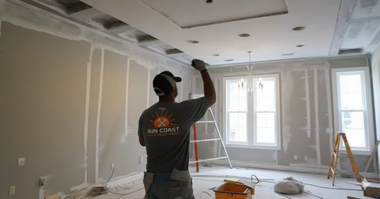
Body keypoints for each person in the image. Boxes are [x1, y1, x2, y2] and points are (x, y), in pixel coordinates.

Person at [138, 59, 216, 199]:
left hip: (151, 179)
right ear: (174, 89)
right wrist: (203, 70)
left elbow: (143, 142)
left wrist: (159, 133)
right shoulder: (183, 110)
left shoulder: (146, 114)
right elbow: (211, 97)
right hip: (176, 180)